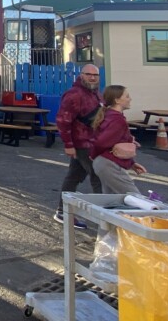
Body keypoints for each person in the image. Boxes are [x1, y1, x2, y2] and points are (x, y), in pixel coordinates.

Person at [53, 64, 104, 229]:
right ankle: (107, 217)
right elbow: (63, 120)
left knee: (73, 177)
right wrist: (68, 144)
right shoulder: (74, 95)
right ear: (81, 75)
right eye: (88, 74)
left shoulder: (96, 94)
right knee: (99, 176)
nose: (92, 77)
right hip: (82, 143)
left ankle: (62, 212)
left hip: (93, 142)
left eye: (95, 75)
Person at [90, 85, 147, 194]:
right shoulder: (117, 120)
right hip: (108, 164)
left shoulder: (107, 115)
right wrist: (93, 156)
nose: (130, 99)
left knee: (112, 202)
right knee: (135, 199)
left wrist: (131, 163)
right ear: (117, 100)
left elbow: (112, 143)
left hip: (103, 163)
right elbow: (101, 143)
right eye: (127, 96)